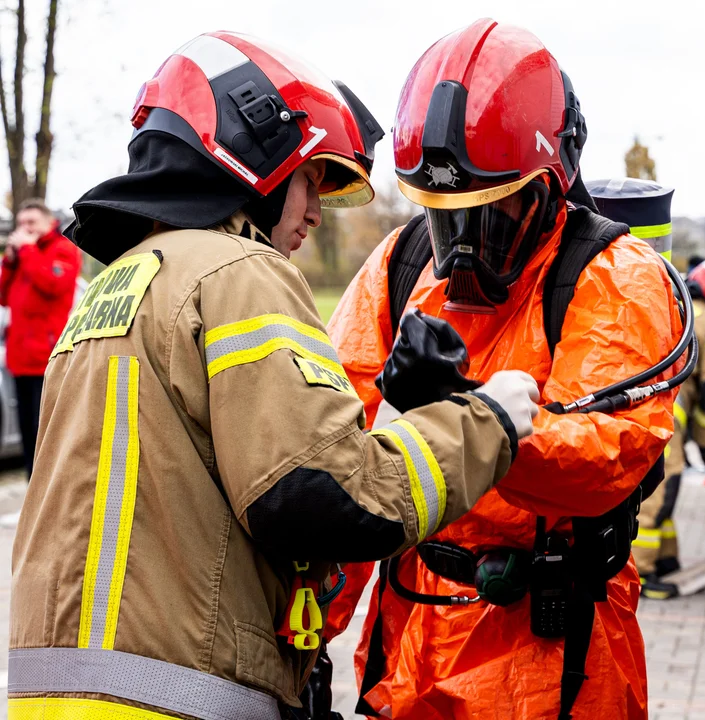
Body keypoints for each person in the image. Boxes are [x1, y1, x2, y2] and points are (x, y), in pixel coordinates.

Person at [8, 32, 539, 720]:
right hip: (178, 699)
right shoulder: (238, 270)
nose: (316, 213)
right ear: (253, 153)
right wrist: (486, 419)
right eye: (309, 180)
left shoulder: (114, 289)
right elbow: (323, 496)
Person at [323, 19, 680, 720]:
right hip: (409, 646)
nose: (459, 248)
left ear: (551, 184)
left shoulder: (611, 280)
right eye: (441, 217)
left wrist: (467, 410)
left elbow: (603, 464)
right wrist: (302, 643)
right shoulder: (397, 269)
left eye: (487, 213)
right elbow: (337, 465)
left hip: (552, 655)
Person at [634, 258, 705, 599]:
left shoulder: (676, 309)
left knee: (664, 493)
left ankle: (666, 560)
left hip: (647, 414)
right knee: (660, 496)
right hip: (666, 421)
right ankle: (642, 574)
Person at [0, 198, 81, 478]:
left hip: (46, 358)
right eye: (22, 224)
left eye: (32, 222)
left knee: (45, 433)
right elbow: (2, 297)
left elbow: (53, 285)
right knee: (26, 431)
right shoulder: (22, 255)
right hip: (19, 357)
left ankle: (48, 488)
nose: (25, 229)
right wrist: (10, 263)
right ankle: (30, 485)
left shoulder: (63, 250)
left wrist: (27, 251)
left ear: (49, 223)